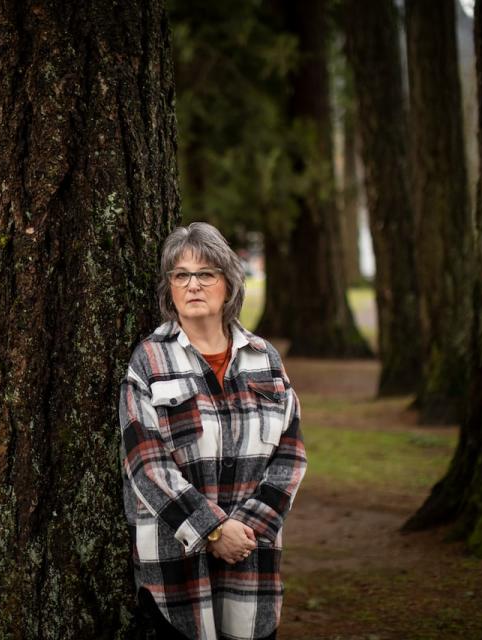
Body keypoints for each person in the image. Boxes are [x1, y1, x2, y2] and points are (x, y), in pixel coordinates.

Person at [119, 222, 307, 640]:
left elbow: (290, 457)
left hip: (251, 566)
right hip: (175, 573)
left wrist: (246, 531)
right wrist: (213, 530)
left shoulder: (265, 359)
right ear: (170, 287)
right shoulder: (148, 362)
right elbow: (146, 467)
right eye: (181, 275)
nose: (193, 285)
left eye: (206, 274)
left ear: (229, 283)